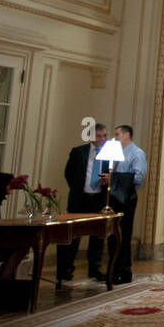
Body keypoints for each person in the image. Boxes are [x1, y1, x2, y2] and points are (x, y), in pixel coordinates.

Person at [55, 121, 110, 286]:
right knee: (73, 235)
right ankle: (67, 269)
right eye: (99, 136)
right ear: (92, 137)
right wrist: (79, 188)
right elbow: (69, 174)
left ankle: (95, 268)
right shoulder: (78, 152)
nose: (102, 139)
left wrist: (105, 182)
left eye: (104, 136)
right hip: (80, 198)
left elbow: (111, 175)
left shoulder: (108, 155)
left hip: (98, 199)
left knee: (97, 236)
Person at [107, 124, 148, 284]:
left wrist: (115, 179)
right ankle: (115, 269)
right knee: (113, 236)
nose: (115, 137)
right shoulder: (116, 153)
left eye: (117, 134)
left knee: (123, 235)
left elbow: (138, 178)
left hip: (126, 198)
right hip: (114, 197)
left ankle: (123, 270)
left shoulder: (137, 154)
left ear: (127, 135)